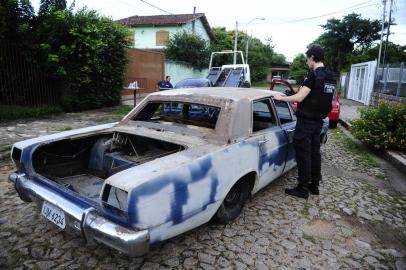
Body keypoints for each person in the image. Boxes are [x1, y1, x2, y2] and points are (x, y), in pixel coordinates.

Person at [273, 44, 335, 199]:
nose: (307, 62)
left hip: (306, 121)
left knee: (303, 154)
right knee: (315, 153)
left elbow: (300, 97)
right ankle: (314, 185)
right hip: (318, 121)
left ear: (312, 58)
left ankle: (302, 188)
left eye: (308, 59)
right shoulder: (331, 76)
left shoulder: (313, 75)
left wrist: (281, 98)